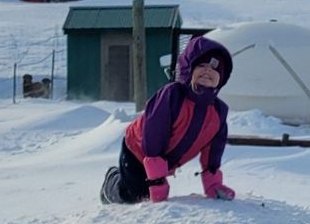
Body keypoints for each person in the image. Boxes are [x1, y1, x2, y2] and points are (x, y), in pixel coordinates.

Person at [101, 35, 237, 204]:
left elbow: (214, 147)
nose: (207, 70)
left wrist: (213, 183)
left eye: (215, 68)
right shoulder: (173, 95)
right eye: (201, 65)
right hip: (138, 149)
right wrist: (157, 179)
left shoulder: (218, 111)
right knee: (135, 195)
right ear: (188, 69)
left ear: (221, 78)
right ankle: (111, 182)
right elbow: (154, 132)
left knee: (146, 195)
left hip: (164, 160)